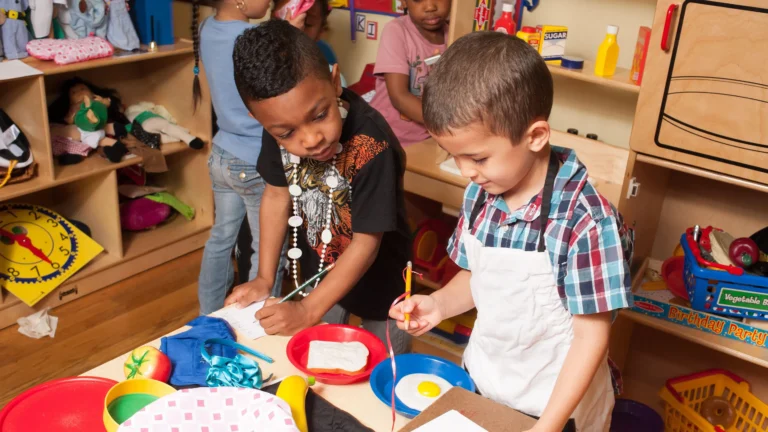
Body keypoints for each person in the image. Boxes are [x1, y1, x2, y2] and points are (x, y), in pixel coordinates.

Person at [389, 32, 634, 431]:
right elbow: (479, 277)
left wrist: (548, 425)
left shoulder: (586, 222)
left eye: (477, 157)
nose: (465, 171)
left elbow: (591, 339)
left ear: (535, 136)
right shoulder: (482, 193)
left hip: (555, 407)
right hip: (486, 382)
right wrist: (439, 305)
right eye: (454, 156)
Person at [225, 20, 412, 354]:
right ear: (262, 122)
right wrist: (265, 278)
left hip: (381, 283)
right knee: (321, 359)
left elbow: (366, 243)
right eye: (287, 133)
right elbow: (276, 195)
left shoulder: (373, 145)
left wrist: (308, 310)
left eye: (320, 115)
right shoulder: (277, 127)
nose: (311, 139)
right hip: (319, 275)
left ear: (335, 82)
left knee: (385, 365)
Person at [191, 0, 304, 315]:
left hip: (222, 154)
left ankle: (208, 314)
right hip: (255, 160)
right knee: (267, 250)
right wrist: (289, 39)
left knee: (220, 240)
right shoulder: (251, 38)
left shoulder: (207, 28)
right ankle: (257, 323)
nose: (269, 1)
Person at [369, 0, 450, 146]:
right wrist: (450, 125)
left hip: (430, 139)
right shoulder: (396, 30)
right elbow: (399, 96)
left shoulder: (456, 34)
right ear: (404, 2)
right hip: (386, 137)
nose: (430, 7)